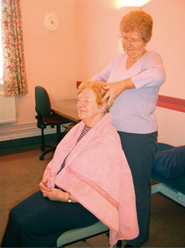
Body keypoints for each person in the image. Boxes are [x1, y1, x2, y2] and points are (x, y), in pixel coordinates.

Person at [1, 81, 139, 248]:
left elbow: (99, 192)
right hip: (63, 189)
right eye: (79, 100)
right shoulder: (80, 128)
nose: (80, 105)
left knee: (26, 226)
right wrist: (48, 180)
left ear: (102, 106)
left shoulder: (106, 140)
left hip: (85, 206)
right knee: (17, 214)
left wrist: (64, 197)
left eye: (86, 100)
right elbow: (61, 162)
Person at [91, 10, 165, 248]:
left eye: (134, 39)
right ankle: (119, 226)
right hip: (113, 132)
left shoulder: (151, 59)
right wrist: (93, 87)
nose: (128, 44)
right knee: (115, 184)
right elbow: (97, 77)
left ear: (146, 40)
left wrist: (122, 85)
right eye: (125, 37)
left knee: (136, 188)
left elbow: (158, 75)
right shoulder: (118, 61)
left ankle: (137, 237)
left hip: (139, 137)